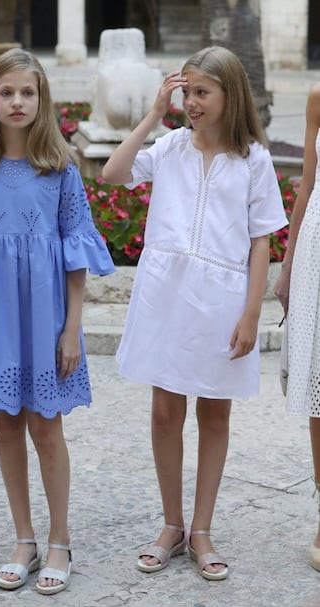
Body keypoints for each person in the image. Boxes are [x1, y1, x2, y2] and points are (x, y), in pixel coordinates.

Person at [0, 48, 115, 595]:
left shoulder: (60, 170)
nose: (16, 101)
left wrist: (72, 328)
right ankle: (24, 538)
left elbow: (76, 257)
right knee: (5, 424)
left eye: (27, 92)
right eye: (6, 92)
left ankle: (60, 539)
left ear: (41, 99)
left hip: (46, 319)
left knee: (46, 428)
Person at [102, 45, 287, 580]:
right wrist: (153, 115)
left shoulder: (254, 159)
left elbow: (261, 242)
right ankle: (171, 523)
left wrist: (252, 311)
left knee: (214, 413)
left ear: (231, 95)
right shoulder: (169, 147)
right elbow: (114, 173)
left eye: (202, 93)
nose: (192, 103)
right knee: (165, 411)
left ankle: (202, 528)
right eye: (187, 93)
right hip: (167, 296)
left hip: (222, 301)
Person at [274, 83, 320, 572]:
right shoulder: (317, 96)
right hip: (319, 250)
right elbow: (308, 184)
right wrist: (287, 267)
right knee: (319, 386)